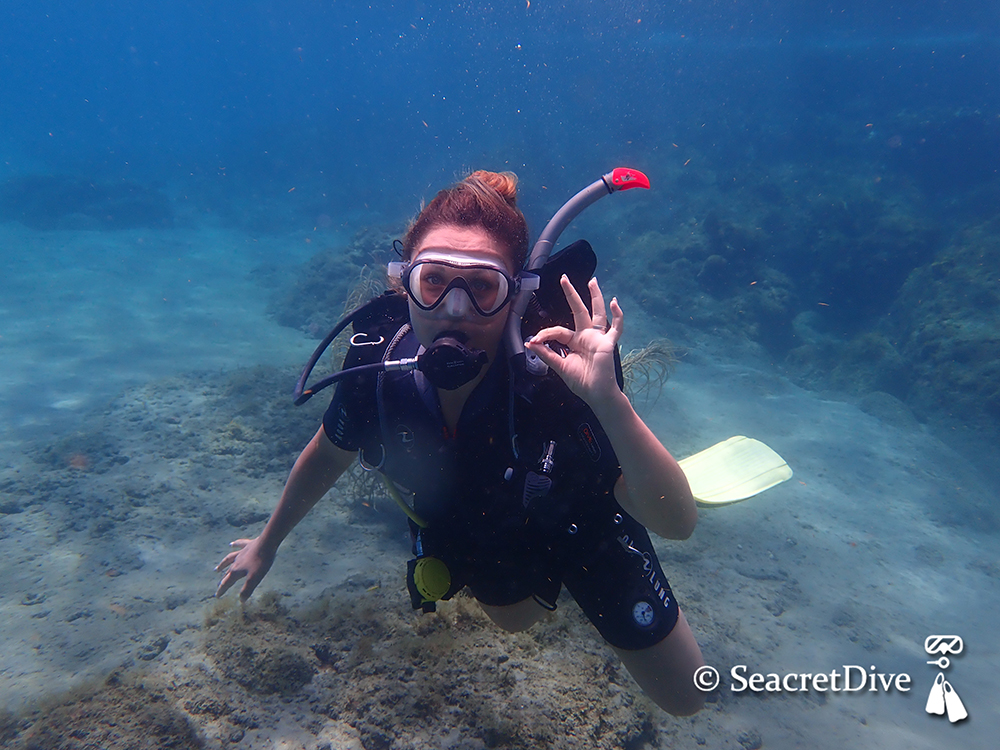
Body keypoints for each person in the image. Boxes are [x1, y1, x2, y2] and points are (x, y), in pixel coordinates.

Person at [215, 170, 706, 716]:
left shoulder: (557, 374)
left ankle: (604, 518)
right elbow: (328, 454)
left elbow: (678, 523)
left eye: (482, 286)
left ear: (516, 297)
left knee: (686, 698)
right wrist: (267, 541)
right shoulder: (378, 370)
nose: (454, 308)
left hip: (583, 521)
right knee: (513, 616)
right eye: (434, 281)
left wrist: (609, 403)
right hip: (491, 521)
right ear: (405, 285)